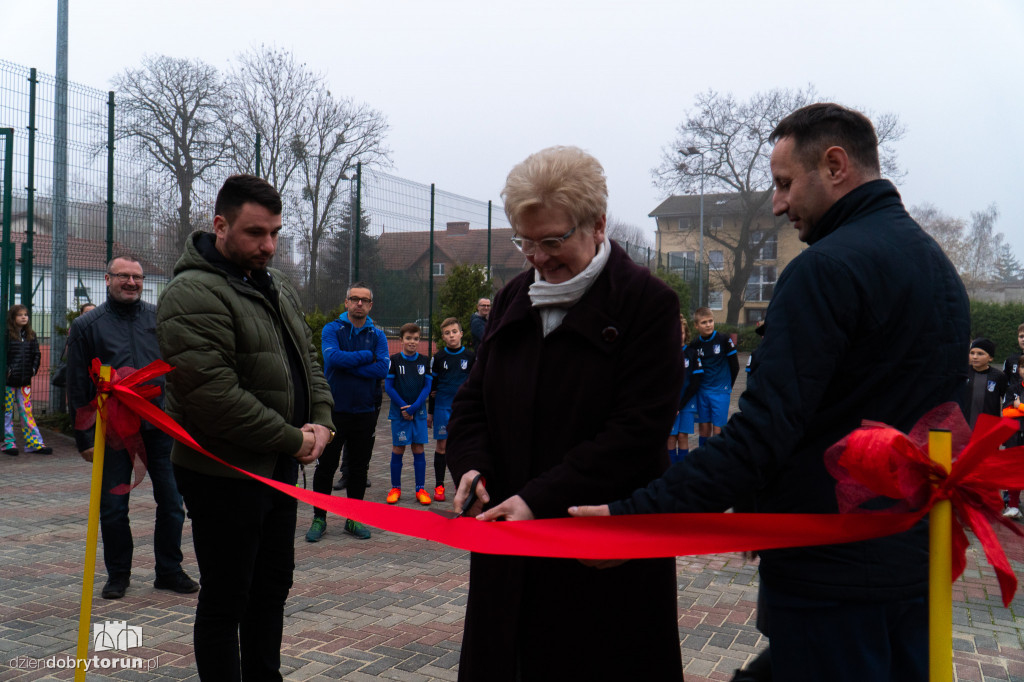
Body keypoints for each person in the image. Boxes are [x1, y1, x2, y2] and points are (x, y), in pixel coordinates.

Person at [571, 103, 970, 681]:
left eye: (785, 184)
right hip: (912, 563)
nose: (778, 204)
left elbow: (762, 435)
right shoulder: (937, 268)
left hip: (829, 578)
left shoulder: (824, 270)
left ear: (834, 165)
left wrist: (635, 520)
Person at [446, 146, 684, 681]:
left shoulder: (648, 305)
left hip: (596, 551)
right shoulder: (513, 299)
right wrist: (470, 465)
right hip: (507, 540)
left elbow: (636, 433)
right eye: (525, 241)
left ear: (597, 225)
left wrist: (537, 499)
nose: (538, 257)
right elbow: (470, 402)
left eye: (553, 240)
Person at [156, 174, 334, 681]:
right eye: (256, 233)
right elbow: (213, 398)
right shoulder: (191, 294)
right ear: (220, 225)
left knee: (272, 587)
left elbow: (310, 363)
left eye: (275, 232)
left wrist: (321, 422)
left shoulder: (277, 287)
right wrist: (291, 438)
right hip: (223, 475)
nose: (269, 246)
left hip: (277, 470)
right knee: (227, 598)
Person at [67, 256, 196, 600]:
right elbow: (78, 383)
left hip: (158, 425)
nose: (131, 282)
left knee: (172, 502)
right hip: (113, 431)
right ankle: (118, 575)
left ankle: (169, 570)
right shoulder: (87, 326)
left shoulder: (159, 318)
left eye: (137, 277)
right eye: (123, 276)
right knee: (112, 507)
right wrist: (83, 438)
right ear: (107, 279)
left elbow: (178, 368)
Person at [305, 282, 389, 542]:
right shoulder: (332, 329)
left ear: (371, 305)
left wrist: (350, 366)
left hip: (365, 412)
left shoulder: (378, 334)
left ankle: (353, 519)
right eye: (354, 299)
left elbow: (383, 369)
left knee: (359, 470)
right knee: (326, 467)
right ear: (346, 302)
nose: (359, 303)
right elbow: (332, 360)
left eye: (364, 300)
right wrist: (366, 356)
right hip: (333, 412)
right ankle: (320, 518)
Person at [384, 323, 432, 505]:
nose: (412, 342)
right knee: (398, 448)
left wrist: (413, 408)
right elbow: (388, 387)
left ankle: (420, 489)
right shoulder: (394, 360)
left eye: (416, 339)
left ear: (419, 340)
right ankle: (395, 488)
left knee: (418, 448)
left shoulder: (425, 361)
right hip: (399, 413)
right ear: (401, 340)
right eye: (409, 338)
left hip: (417, 413)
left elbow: (427, 387)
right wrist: (404, 407)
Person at [427, 317, 475, 500]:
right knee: (442, 446)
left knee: (463, 447)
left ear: (461, 334)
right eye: (447, 333)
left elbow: (475, 383)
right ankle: (439, 486)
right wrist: (430, 413)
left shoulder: (470, 357)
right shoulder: (439, 358)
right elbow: (433, 387)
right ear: (443, 337)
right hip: (442, 407)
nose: (452, 335)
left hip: (463, 409)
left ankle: (459, 484)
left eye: (454, 332)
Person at [4, 304, 52, 456]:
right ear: (13, 318)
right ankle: (8, 443)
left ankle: (34, 443)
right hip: (8, 382)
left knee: (27, 412)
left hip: (25, 382)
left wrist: (33, 369)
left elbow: (36, 353)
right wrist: (7, 371)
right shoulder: (6, 335)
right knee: (7, 412)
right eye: (20, 315)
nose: (24, 317)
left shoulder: (31, 335)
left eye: (26, 314)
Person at [691, 306, 738, 445]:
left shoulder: (724, 339)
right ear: (696, 326)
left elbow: (735, 366)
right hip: (702, 392)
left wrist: (728, 386)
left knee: (718, 430)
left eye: (710, 321)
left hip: (720, 392)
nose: (708, 325)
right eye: (704, 322)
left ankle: (717, 463)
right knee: (704, 429)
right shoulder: (695, 344)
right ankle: (703, 460)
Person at [667, 314, 702, 464]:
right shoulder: (665, 354)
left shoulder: (692, 354)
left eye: (681, 332)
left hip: (687, 403)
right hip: (670, 404)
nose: (678, 336)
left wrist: (680, 405)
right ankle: (670, 470)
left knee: (682, 436)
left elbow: (695, 382)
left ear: (686, 333)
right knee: (670, 437)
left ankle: (681, 470)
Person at [960, 337, 1006, 429]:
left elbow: (1006, 400)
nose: (975, 357)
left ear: (991, 358)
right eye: (972, 353)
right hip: (964, 427)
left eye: (980, 354)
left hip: (988, 428)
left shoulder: (998, 376)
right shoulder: (963, 373)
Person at [1001, 354, 1024, 519]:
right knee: (1015, 471)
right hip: (1016, 435)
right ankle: (1013, 506)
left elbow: (1015, 408)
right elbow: (1006, 412)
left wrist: (1020, 406)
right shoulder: (1013, 389)